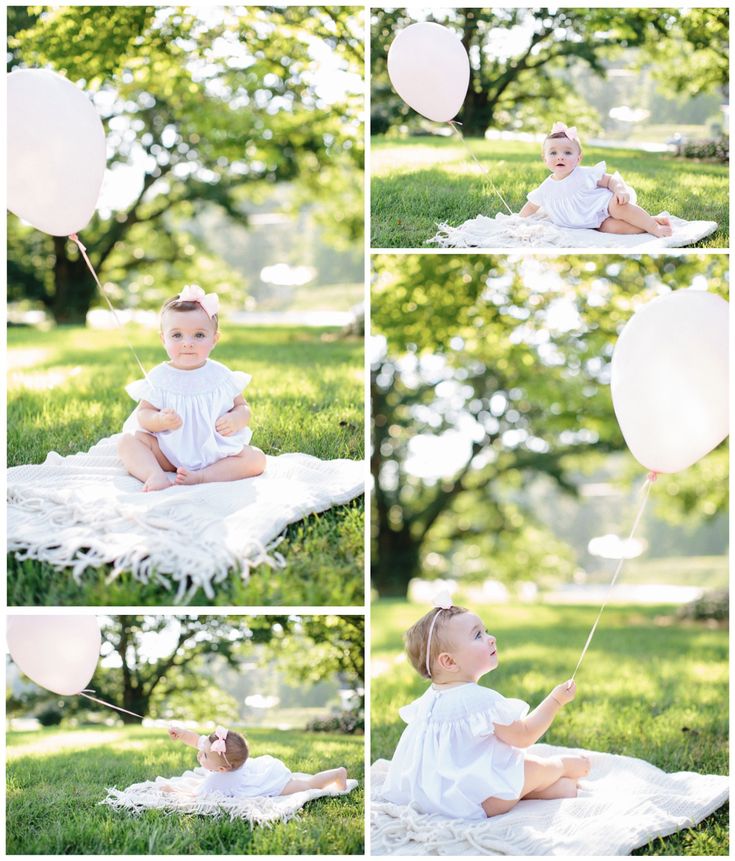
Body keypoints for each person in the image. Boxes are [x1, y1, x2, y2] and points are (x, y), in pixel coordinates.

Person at [380, 595, 590, 819]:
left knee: (529, 782)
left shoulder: (426, 701)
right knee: (533, 768)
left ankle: (560, 790)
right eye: (478, 635)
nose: (491, 638)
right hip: (481, 799)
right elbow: (524, 736)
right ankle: (563, 767)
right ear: (449, 662)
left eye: (486, 631)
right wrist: (556, 700)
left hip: (435, 798)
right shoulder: (480, 701)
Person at [117, 284, 266, 491]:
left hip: (214, 453)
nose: (188, 343)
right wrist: (159, 420)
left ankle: (203, 476)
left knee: (256, 459)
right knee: (128, 441)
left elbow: (243, 407)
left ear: (214, 339)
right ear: (163, 339)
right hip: (167, 452)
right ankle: (154, 474)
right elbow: (143, 414)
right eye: (177, 335)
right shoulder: (160, 377)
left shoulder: (221, 375)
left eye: (198, 335)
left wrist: (236, 419)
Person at [519, 122, 673, 237]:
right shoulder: (545, 188)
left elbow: (610, 180)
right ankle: (648, 222)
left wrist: (620, 189)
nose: (560, 156)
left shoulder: (583, 174)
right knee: (611, 229)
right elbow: (531, 206)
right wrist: (519, 220)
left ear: (578, 158)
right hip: (594, 222)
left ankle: (654, 228)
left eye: (567, 152)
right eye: (553, 153)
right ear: (545, 159)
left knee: (618, 207)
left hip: (604, 206)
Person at [167, 725, 349, 797]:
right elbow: (197, 740)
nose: (200, 753)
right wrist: (182, 734)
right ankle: (336, 773)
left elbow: (195, 795)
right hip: (262, 768)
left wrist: (172, 789)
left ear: (222, 769)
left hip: (270, 779)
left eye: (204, 755)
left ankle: (337, 774)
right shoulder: (220, 754)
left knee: (307, 786)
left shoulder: (218, 780)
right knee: (303, 782)